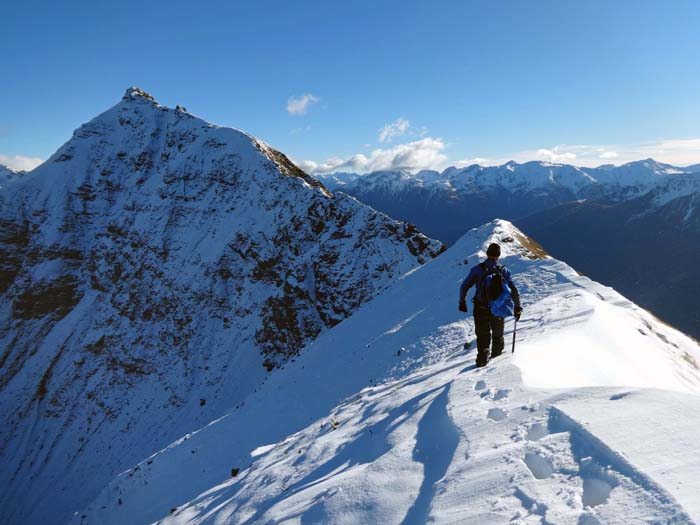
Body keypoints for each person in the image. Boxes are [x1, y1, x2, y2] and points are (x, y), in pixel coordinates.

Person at [459, 242, 522, 367]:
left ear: (487, 254)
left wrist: (462, 302)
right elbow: (513, 289)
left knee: (482, 335)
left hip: (480, 308)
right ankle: (497, 362)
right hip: (498, 308)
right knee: (498, 335)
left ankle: (483, 354)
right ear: (498, 256)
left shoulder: (477, 270)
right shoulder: (504, 271)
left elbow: (464, 285)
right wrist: (517, 306)